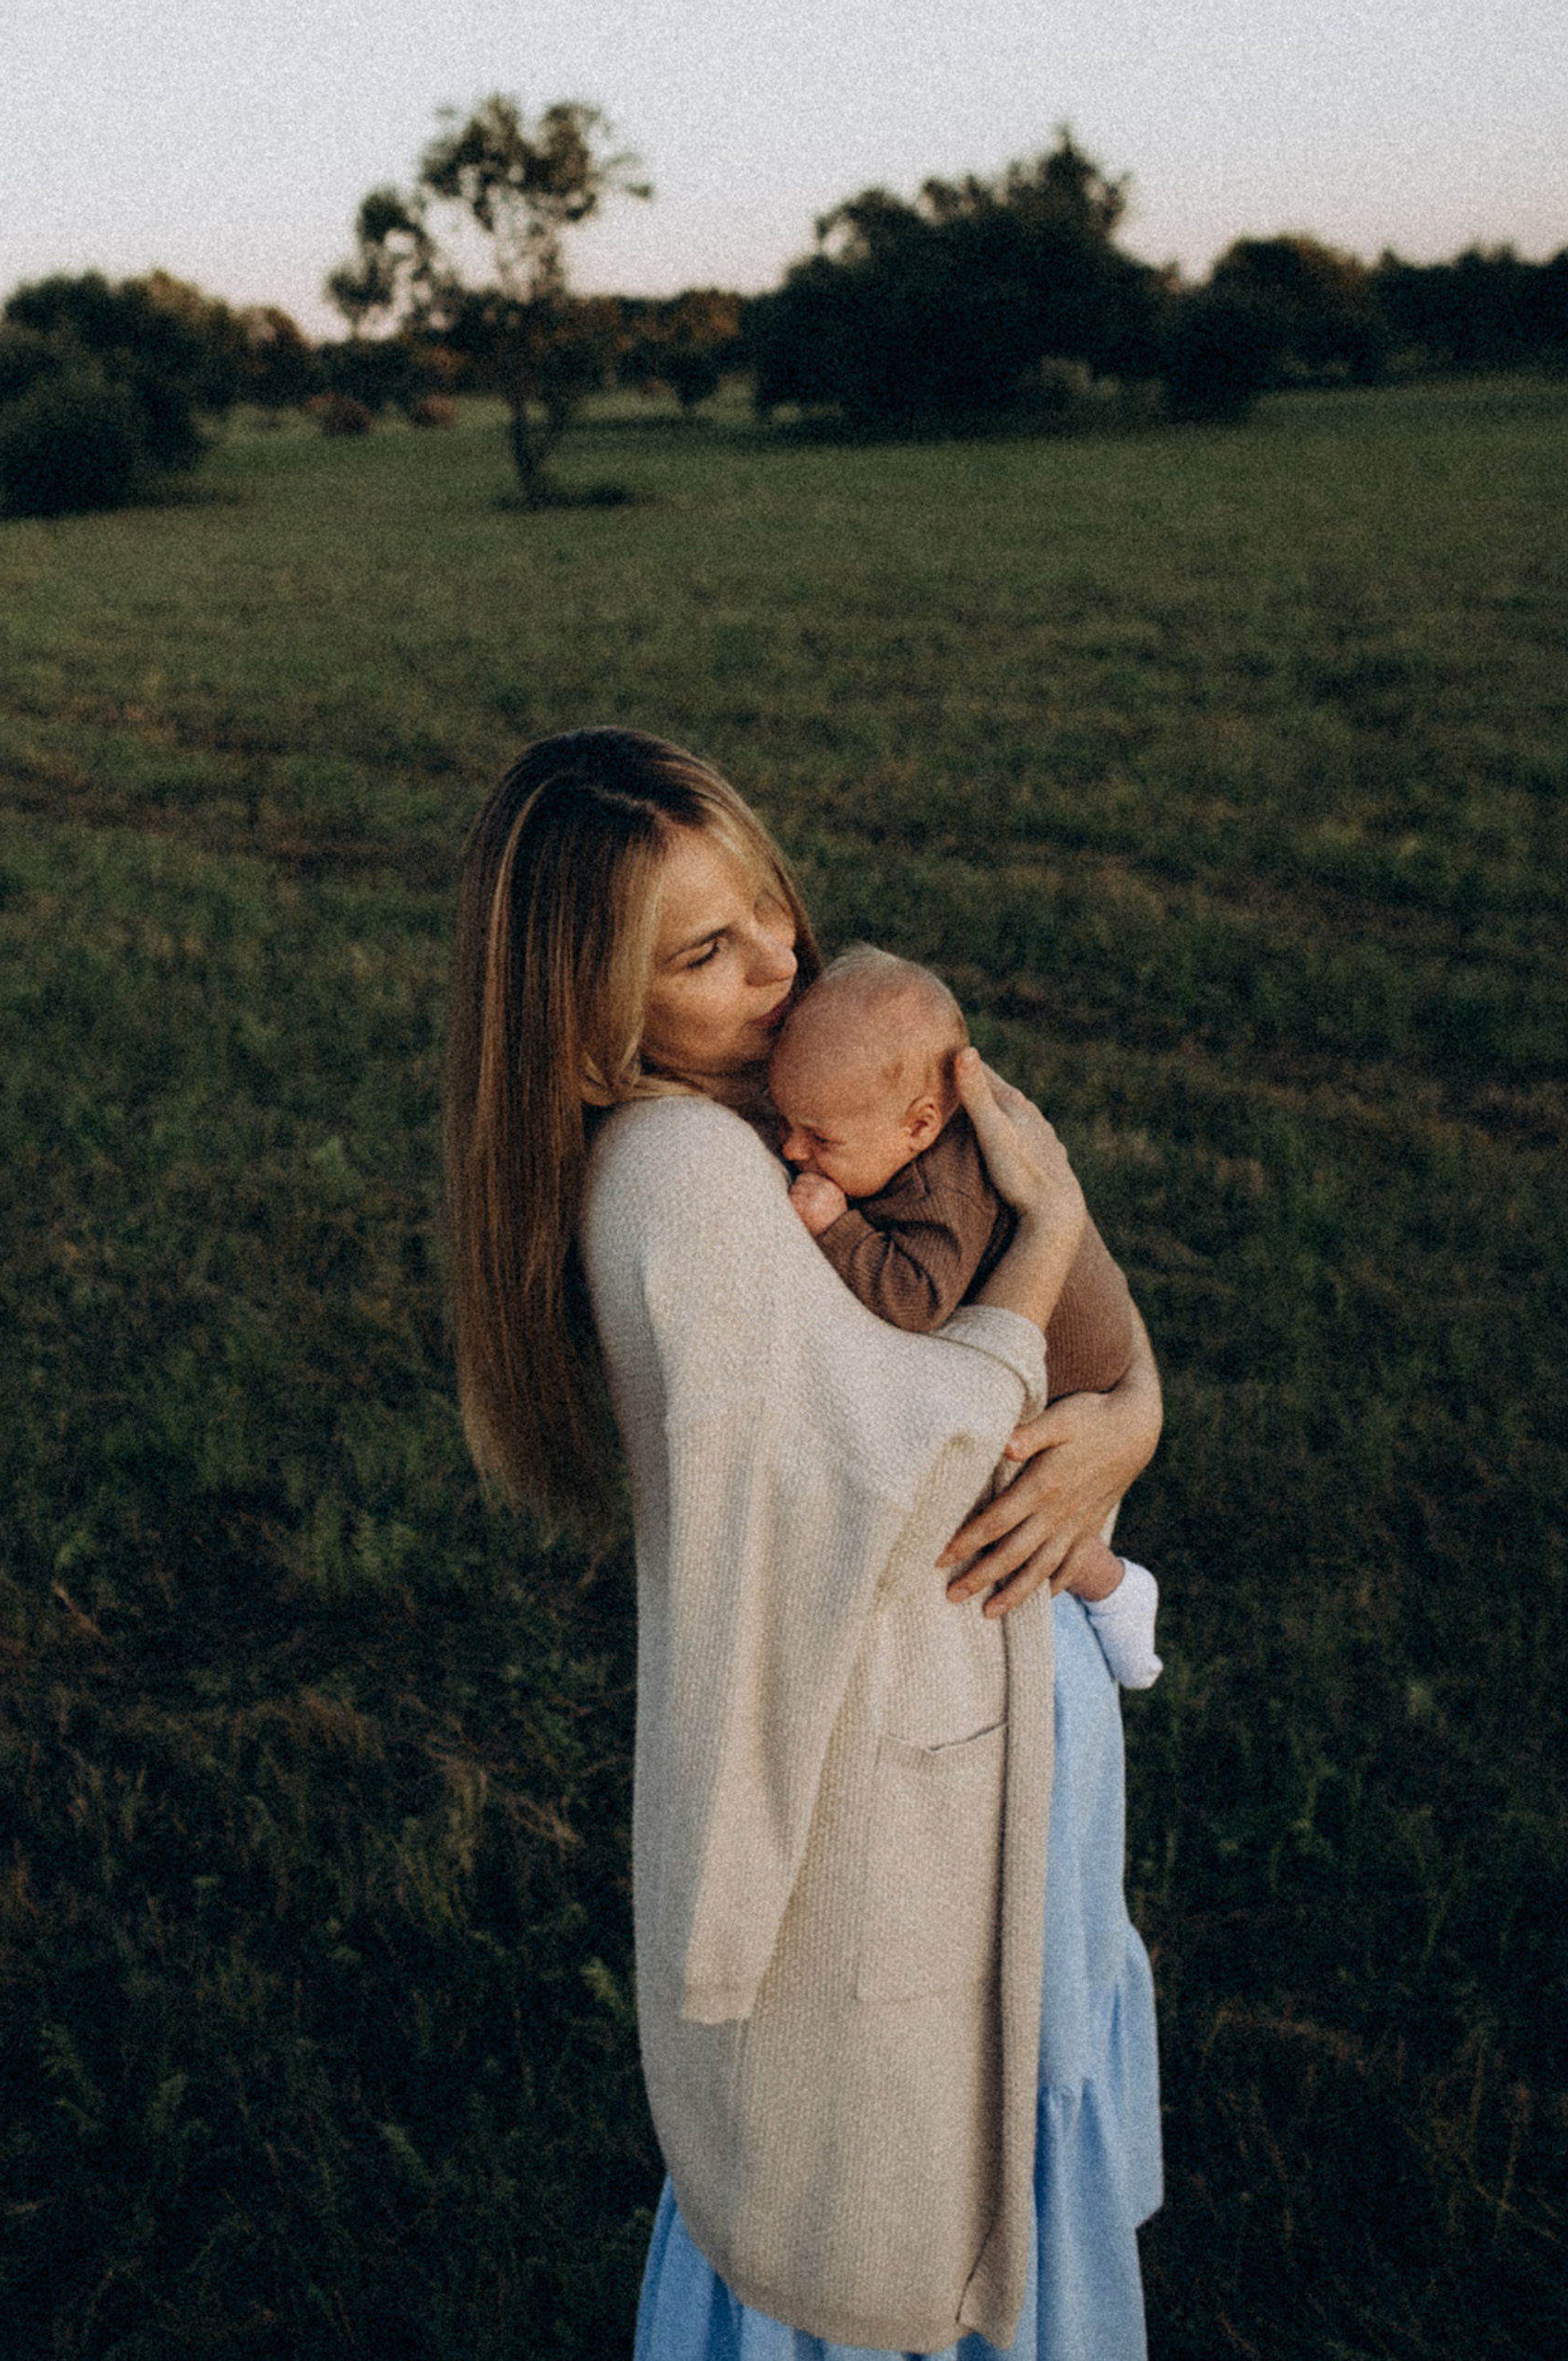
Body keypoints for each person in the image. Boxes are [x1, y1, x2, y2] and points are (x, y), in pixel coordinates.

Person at [441, 730, 1163, 2359]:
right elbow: (908, 1455)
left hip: (986, 1757)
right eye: (708, 954)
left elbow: (1041, 1349)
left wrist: (1137, 1415)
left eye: (769, 908)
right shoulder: (688, 1172)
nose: (787, 962)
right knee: (880, 2228)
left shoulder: (795, 1099)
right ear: (584, 1031)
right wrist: (1046, 1237)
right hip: (892, 1829)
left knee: (983, 2185)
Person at [767, 943, 1161, 1685]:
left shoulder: (939, 1195)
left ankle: (1115, 1591)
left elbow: (915, 1298)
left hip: (1076, 1372)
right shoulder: (886, 1126)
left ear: (919, 1127)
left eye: (820, 1138)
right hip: (1096, 1350)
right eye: (786, 1122)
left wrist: (839, 1227)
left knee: (1023, 1503)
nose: (793, 1149)